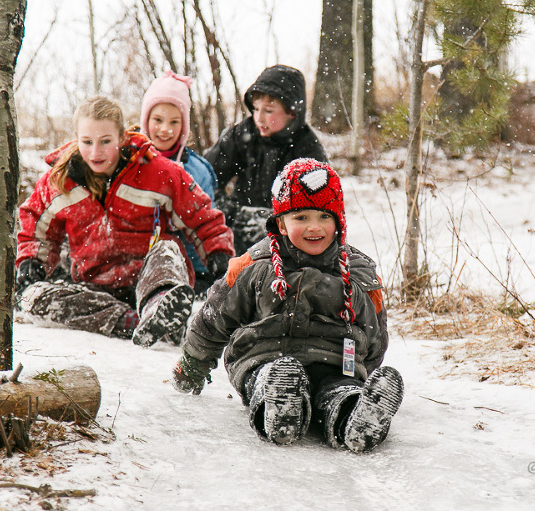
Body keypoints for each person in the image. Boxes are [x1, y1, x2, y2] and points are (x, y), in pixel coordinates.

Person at [172, 158, 403, 453]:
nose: (314, 227)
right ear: (280, 223)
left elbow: (374, 334)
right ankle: (279, 408)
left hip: (333, 365)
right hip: (264, 357)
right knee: (269, 378)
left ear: (339, 220)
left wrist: (362, 372)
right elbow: (215, 316)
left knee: (339, 392)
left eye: (324, 216)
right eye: (301, 218)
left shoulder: (357, 272)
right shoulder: (256, 265)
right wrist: (194, 364)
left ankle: (356, 416)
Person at [15, 96, 234, 347]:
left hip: (151, 275)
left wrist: (218, 253)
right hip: (96, 288)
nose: (95, 152)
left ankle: (161, 307)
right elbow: (36, 228)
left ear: (121, 138)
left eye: (105, 141)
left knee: (168, 250)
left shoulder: (159, 171)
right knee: (32, 298)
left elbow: (201, 215)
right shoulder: (59, 182)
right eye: (87, 142)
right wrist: (32, 261)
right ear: (76, 139)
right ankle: (131, 321)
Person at [205, 65, 328, 256]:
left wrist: (275, 222)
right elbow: (206, 178)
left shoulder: (307, 149)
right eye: (255, 109)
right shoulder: (242, 134)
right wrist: (228, 212)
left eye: (269, 111)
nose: (259, 118)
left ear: (292, 113)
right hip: (236, 230)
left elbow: (319, 208)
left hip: (287, 241)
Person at [139, 70, 219, 294]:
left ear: (184, 127)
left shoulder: (197, 171)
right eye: (158, 120)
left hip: (188, 267)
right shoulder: (130, 163)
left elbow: (205, 223)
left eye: (174, 122)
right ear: (146, 121)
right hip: (136, 262)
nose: (165, 129)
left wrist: (203, 270)